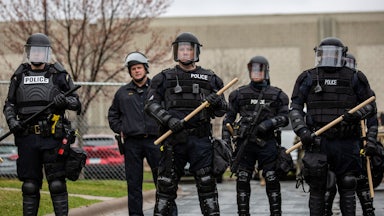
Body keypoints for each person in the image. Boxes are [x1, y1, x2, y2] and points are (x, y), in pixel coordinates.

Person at [289, 37, 377, 215]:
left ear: (342, 55)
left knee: (347, 184)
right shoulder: (307, 77)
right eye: (325, 53)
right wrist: (302, 131)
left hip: (346, 142)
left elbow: (370, 105)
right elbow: (295, 108)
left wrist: (355, 116)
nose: (329, 57)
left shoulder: (354, 77)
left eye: (333, 53)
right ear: (319, 55)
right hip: (317, 142)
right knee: (318, 188)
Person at [144, 32, 228, 216]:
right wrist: (168, 120)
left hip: (200, 141)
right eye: (181, 49)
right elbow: (150, 105)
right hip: (173, 140)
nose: (184, 52)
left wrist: (216, 102)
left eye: (188, 49)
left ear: (195, 52)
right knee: (165, 188)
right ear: (176, 52)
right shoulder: (163, 78)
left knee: (207, 187)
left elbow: (222, 110)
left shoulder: (210, 78)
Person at [3, 33, 81, 216]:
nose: (37, 54)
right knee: (29, 186)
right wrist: (12, 121)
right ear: (29, 52)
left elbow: (76, 103)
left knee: (56, 184)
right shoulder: (19, 75)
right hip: (27, 137)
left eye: (41, 51)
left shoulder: (58, 74)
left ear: (46, 53)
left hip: (52, 137)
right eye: (34, 51)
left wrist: (65, 101)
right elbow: (9, 104)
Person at [222, 55, 290, 216]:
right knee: (243, 178)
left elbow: (285, 117)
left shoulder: (277, 94)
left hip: (267, 142)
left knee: (271, 177)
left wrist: (269, 124)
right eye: (253, 69)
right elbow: (228, 120)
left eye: (259, 69)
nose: (256, 73)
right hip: (245, 144)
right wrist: (226, 144)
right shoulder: (239, 94)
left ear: (266, 71)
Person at [324, 53, 379, 216]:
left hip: (356, 142)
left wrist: (370, 142)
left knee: (361, 184)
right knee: (330, 183)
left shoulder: (363, 90)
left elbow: (372, 121)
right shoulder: (333, 93)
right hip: (335, 143)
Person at [107, 51, 162, 216]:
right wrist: (121, 128)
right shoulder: (122, 93)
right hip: (132, 143)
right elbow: (113, 115)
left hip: (156, 141)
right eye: (133, 69)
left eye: (139, 68)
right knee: (134, 184)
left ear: (145, 69)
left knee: (162, 181)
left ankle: (164, 212)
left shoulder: (157, 90)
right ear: (130, 72)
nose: (137, 71)